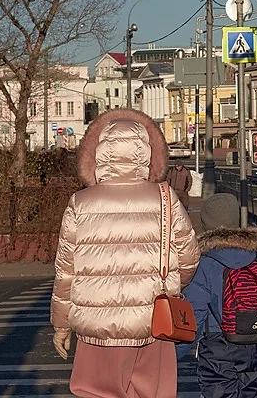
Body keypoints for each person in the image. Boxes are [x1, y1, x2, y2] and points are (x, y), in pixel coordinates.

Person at [50, 109, 200, 398]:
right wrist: (167, 283)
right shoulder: (166, 199)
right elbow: (189, 258)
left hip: (97, 328)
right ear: (147, 153)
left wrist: (61, 325)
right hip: (153, 322)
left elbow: (66, 272)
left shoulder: (80, 203)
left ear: (98, 153)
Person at [176, 193, 257, 398]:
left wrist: (174, 354)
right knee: (252, 392)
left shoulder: (205, 263)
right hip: (256, 342)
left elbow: (194, 315)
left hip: (218, 345)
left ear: (207, 225)